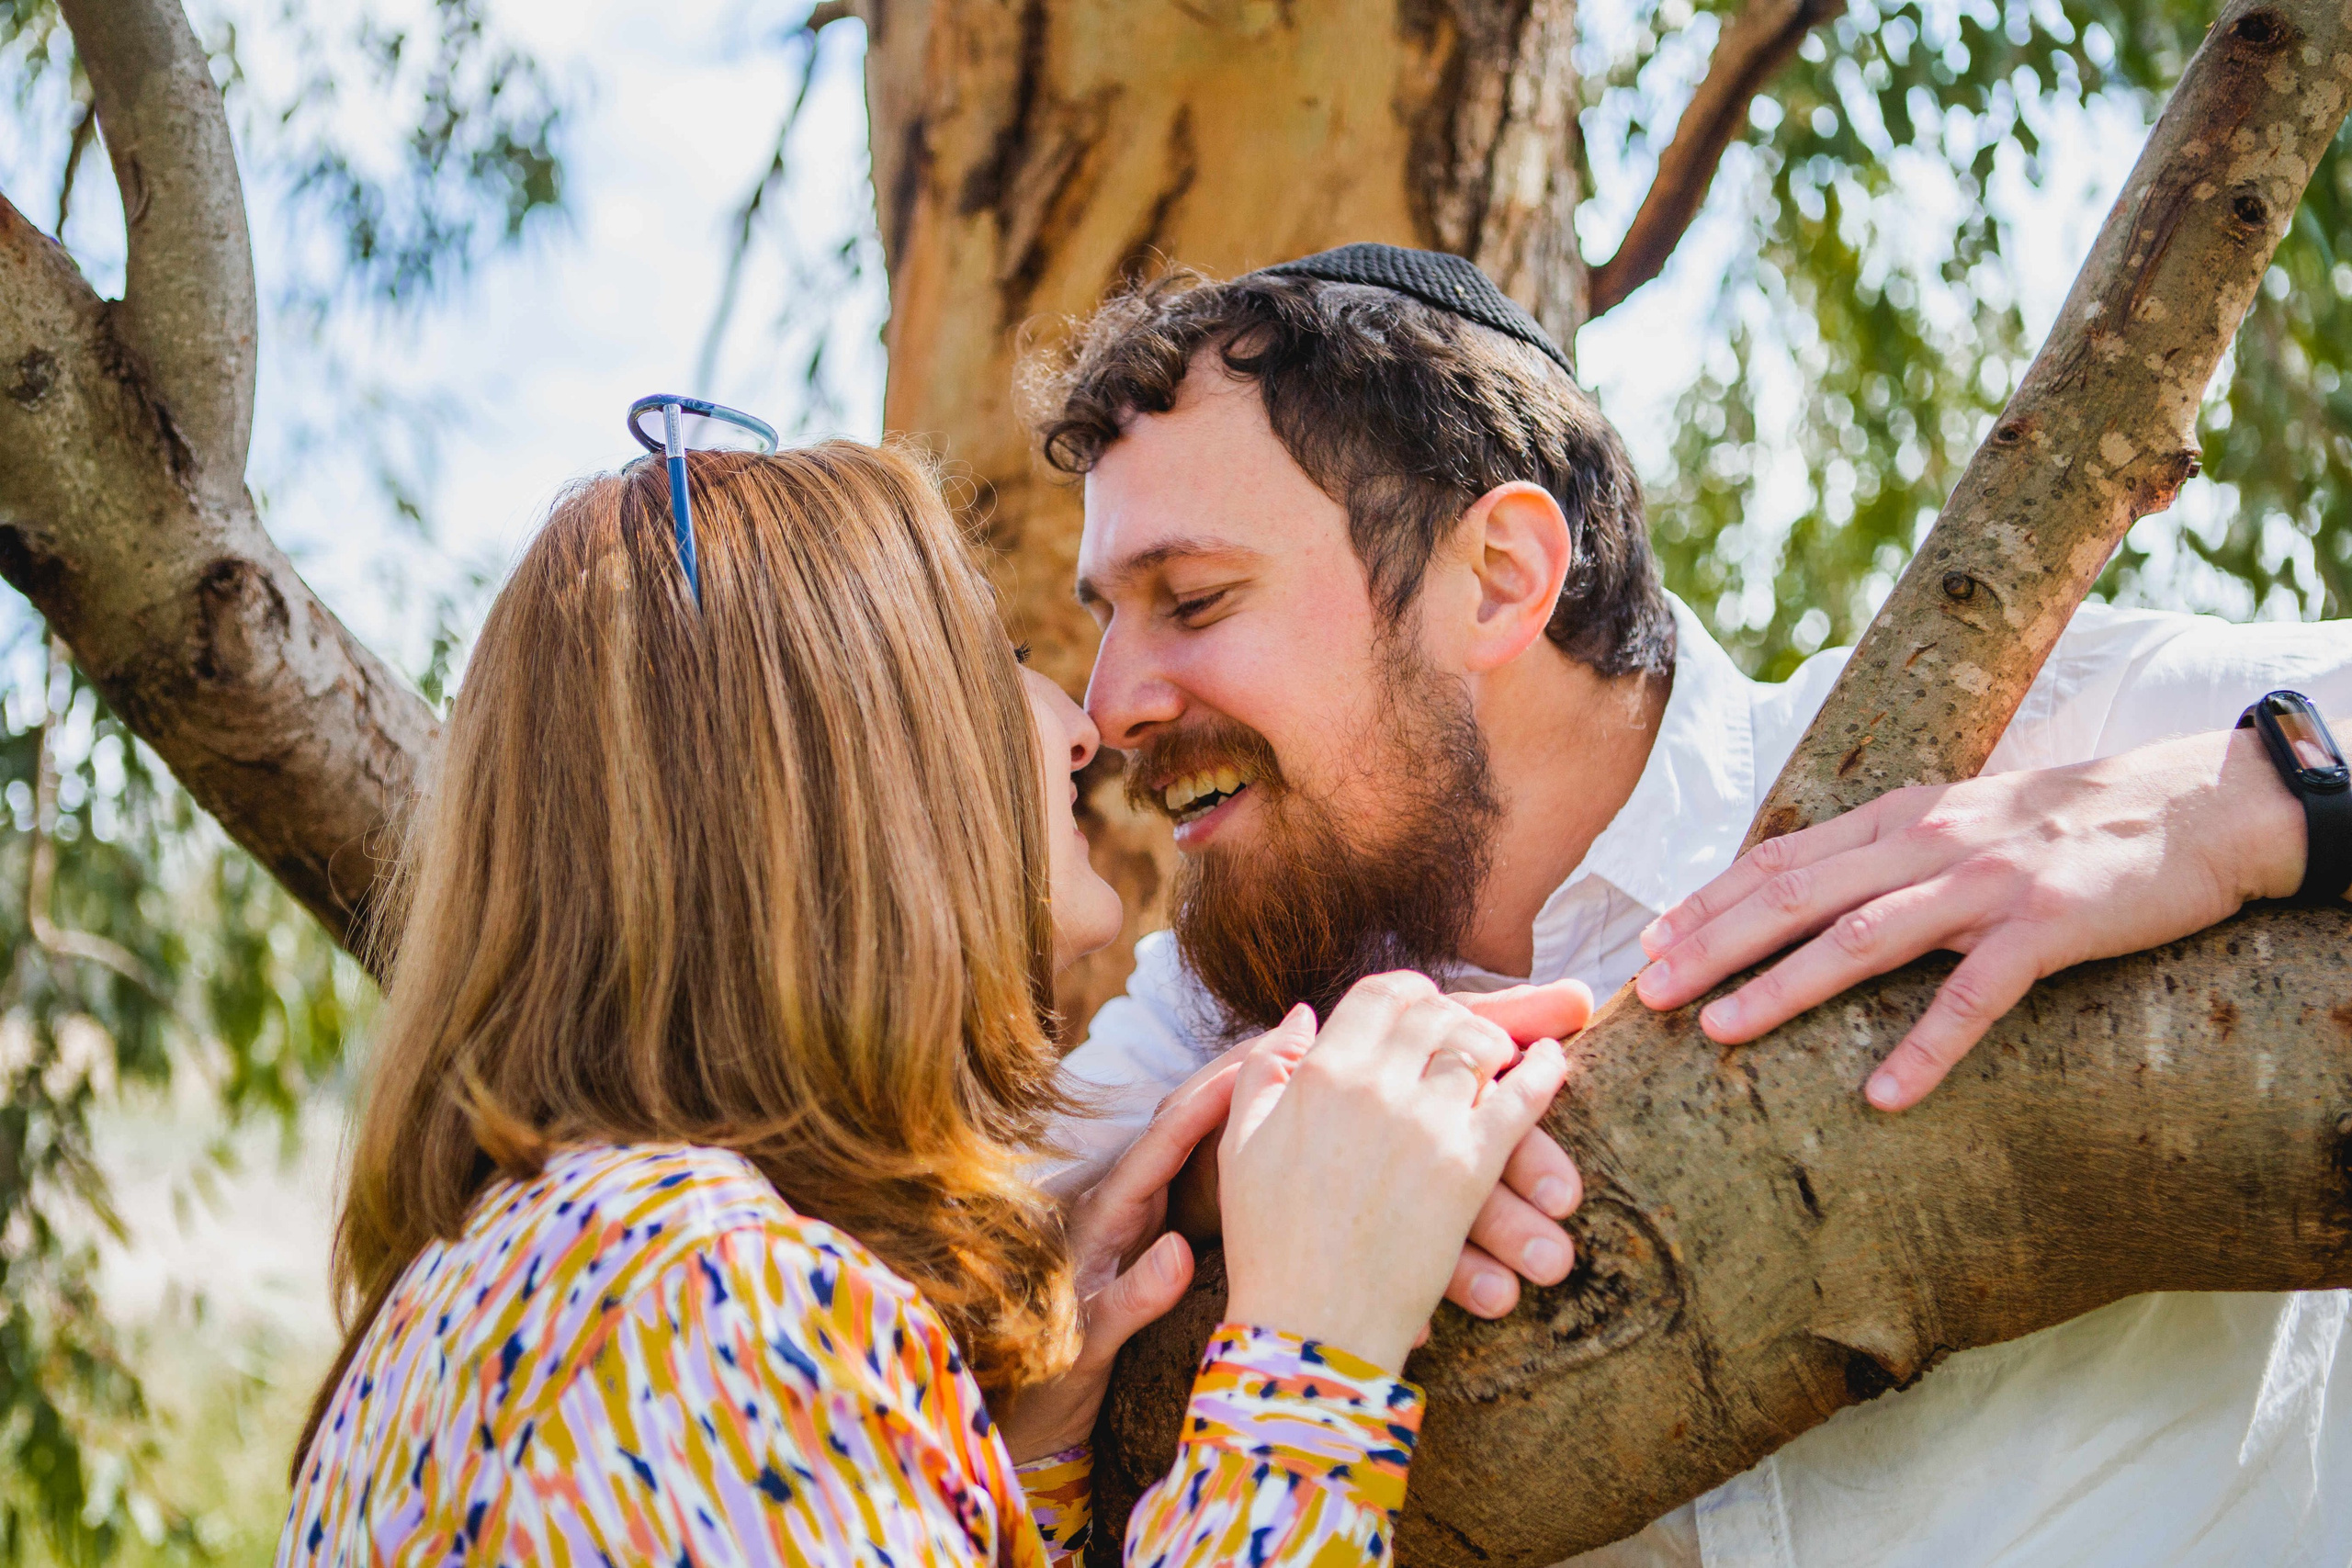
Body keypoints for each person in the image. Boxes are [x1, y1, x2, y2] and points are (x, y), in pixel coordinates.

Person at [1030, 243, 2352, 1565]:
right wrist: (1258, 1158)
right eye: (1110, 621)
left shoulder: (2023, 740)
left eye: (1193, 600)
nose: (1112, 704)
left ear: (1498, 576)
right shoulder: (1210, 1014)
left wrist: (2231, 802)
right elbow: (945, 1277)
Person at [276, 438, 1593, 1565]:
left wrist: (1003, 1477)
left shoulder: (540, 1276)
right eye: (985, 661)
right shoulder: (707, 1299)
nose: (1079, 725)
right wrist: (1309, 1369)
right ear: (842, 781)